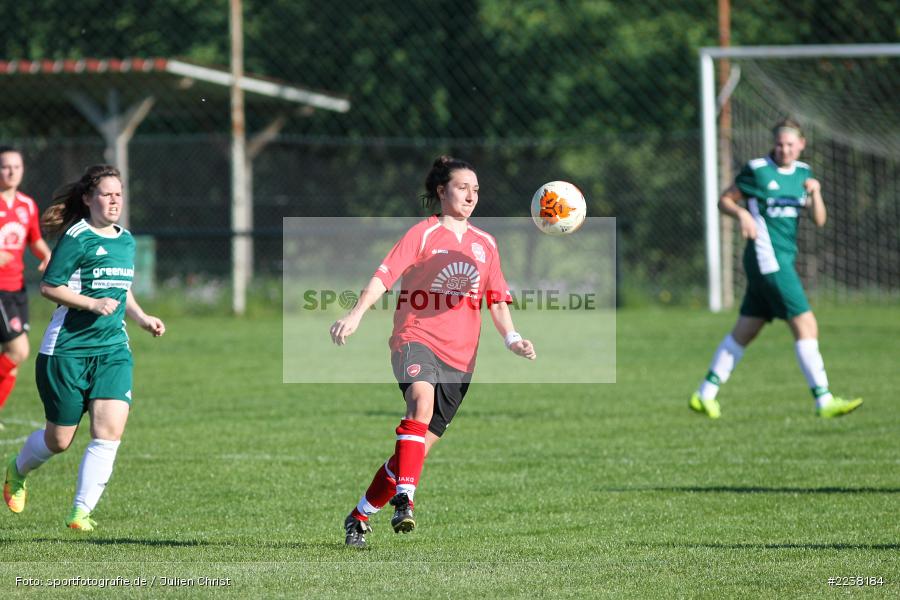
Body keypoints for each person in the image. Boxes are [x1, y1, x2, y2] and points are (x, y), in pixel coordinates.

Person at [331, 156, 536, 548]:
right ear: (441, 191)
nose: (471, 195)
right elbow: (385, 275)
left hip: (461, 360)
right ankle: (406, 501)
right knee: (419, 403)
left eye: (476, 189)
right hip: (415, 337)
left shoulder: (485, 244)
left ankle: (358, 517)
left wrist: (513, 339)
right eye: (462, 187)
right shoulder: (423, 234)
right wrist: (356, 314)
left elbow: (496, 300)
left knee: (412, 452)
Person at [3, 164, 165, 531]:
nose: (113, 201)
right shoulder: (76, 237)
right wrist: (91, 304)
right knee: (58, 441)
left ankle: (80, 511)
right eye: (106, 194)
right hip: (67, 351)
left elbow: (122, 288)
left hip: (112, 350)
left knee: (108, 431)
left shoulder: (126, 240)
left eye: (118, 194)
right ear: (89, 198)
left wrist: (141, 318)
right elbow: (48, 286)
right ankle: (16, 471)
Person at [690, 118, 861, 419]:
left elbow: (819, 220)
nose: (784, 150)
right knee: (806, 324)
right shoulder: (757, 170)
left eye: (790, 145)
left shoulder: (804, 174)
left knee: (747, 329)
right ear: (774, 143)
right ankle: (824, 399)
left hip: (780, 259)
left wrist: (816, 193)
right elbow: (723, 200)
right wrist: (742, 214)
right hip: (766, 259)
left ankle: (705, 394)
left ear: (801, 144)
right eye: (780, 144)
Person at [0, 147, 52, 428]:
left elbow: (34, 239)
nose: (11, 172)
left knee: (14, 361)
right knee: (18, 351)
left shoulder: (27, 205)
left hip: (17, 288)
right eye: (5, 166)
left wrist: (48, 256)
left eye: (16, 167)